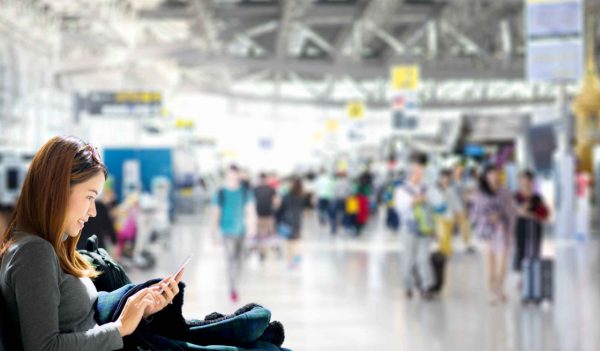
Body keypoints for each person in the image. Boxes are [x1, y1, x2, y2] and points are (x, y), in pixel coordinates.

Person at [0, 136, 182, 351]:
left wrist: (140, 309)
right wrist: (120, 327)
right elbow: (44, 347)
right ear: (56, 190)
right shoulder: (33, 252)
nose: (93, 211)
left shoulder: (47, 248)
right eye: (89, 197)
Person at [471, 165, 517, 304]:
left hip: (502, 230)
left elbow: (511, 210)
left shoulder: (504, 192)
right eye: (491, 174)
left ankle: (500, 288)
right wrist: (488, 217)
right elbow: (475, 214)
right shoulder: (479, 193)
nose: (495, 177)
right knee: (490, 263)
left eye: (497, 173)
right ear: (485, 176)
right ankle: (491, 291)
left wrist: (502, 216)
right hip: (487, 231)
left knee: (503, 262)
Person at [211, 165, 256, 303]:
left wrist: (252, 228)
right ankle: (233, 289)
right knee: (230, 261)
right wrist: (213, 232)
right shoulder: (221, 192)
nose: (232, 177)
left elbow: (250, 211)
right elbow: (215, 213)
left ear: (238, 175)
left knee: (240, 261)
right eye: (229, 174)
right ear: (226, 175)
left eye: (234, 174)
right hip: (227, 231)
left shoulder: (245, 192)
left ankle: (235, 283)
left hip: (241, 231)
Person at [394, 153, 436, 299]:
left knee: (424, 258)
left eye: (422, 172)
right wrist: (416, 201)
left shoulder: (426, 188)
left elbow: (433, 206)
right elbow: (400, 208)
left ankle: (426, 286)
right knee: (408, 259)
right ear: (411, 174)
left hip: (425, 228)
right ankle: (407, 286)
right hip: (409, 228)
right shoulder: (402, 190)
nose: (421, 174)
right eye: (418, 172)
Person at [513, 170, 549, 278]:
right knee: (521, 250)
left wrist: (530, 213)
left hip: (535, 228)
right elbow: (514, 212)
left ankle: (533, 276)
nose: (526, 183)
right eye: (523, 180)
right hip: (521, 227)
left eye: (528, 181)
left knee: (535, 249)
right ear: (519, 181)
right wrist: (527, 213)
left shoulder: (537, 198)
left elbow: (545, 214)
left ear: (532, 182)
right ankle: (522, 277)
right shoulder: (516, 196)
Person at [277, 178, 304, 269]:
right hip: (298, 222)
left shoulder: (286, 196)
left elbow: (280, 209)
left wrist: (278, 220)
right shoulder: (301, 196)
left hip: (288, 222)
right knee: (297, 242)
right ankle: (297, 261)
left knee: (288, 244)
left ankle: (290, 263)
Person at [253, 172, 279, 261]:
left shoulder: (255, 189)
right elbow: (276, 202)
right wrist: (275, 209)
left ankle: (262, 251)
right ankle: (273, 248)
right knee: (270, 233)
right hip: (269, 215)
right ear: (266, 179)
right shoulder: (271, 189)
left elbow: (252, 202)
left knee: (260, 234)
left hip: (259, 215)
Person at [452, 163, 475, 252]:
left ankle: (467, 245)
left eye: (460, 171)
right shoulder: (449, 181)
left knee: (465, 227)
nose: (459, 172)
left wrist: (466, 206)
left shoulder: (464, 181)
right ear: (454, 171)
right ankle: (444, 246)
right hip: (451, 208)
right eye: (457, 170)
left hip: (461, 207)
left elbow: (466, 194)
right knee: (448, 227)